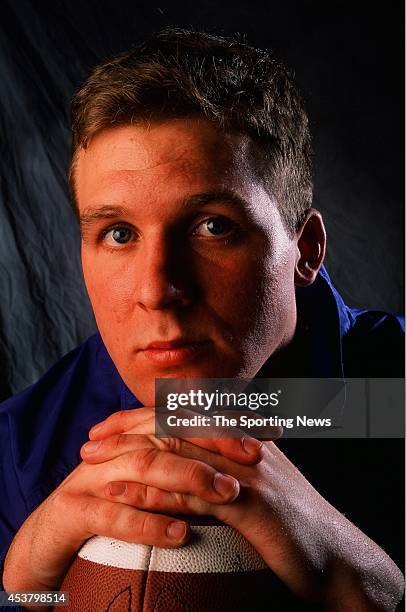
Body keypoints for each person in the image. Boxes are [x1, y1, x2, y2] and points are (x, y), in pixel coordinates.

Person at [1, 28, 404, 611]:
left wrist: (361, 581)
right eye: (118, 234)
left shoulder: (395, 391)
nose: (158, 290)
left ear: (306, 250)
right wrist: (19, 587)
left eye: (213, 226)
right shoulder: (22, 447)